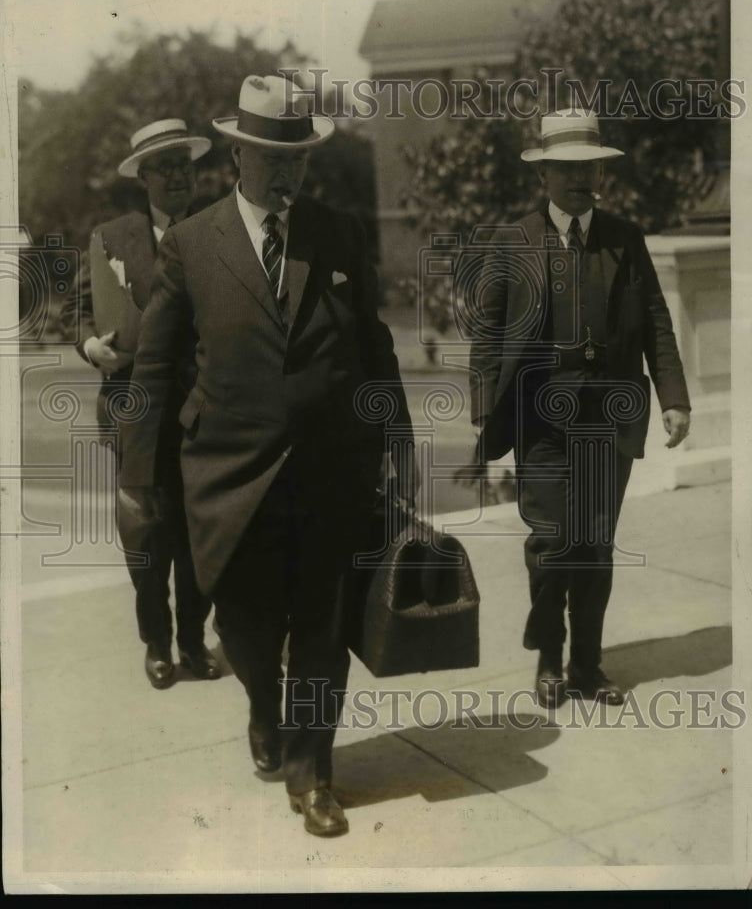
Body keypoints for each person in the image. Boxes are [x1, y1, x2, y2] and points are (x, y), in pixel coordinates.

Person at [118, 74, 414, 838]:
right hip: (228, 478)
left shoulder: (337, 232)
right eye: (272, 157)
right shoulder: (191, 244)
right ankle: (262, 706)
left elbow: (373, 346)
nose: (286, 172)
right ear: (237, 156)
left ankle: (313, 774)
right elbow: (154, 367)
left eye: (298, 158)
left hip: (329, 472)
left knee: (322, 628)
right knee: (246, 630)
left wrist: (397, 445)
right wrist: (139, 476)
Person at [469, 109, 691, 709]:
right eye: (565, 167)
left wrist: (673, 399)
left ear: (600, 173)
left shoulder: (625, 238)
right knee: (551, 541)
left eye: (587, 167)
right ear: (543, 174)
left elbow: (656, 322)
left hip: (609, 416)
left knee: (593, 544)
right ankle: (549, 655)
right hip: (540, 417)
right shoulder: (512, 241)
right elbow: (488, 332)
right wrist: (484, 409)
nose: (578, 178)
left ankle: (587, 665)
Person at [59, 119, 220, 689]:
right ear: (143, 178)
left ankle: (194, 640)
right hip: (133, 411)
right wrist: (91, 346)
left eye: (184, 165)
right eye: (164, 167)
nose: (178, 176)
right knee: (146, 537)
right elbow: (78, 310)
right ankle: (157, 643)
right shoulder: (112, 237)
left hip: (202, 411)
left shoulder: (217, 231)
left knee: (199, 536)